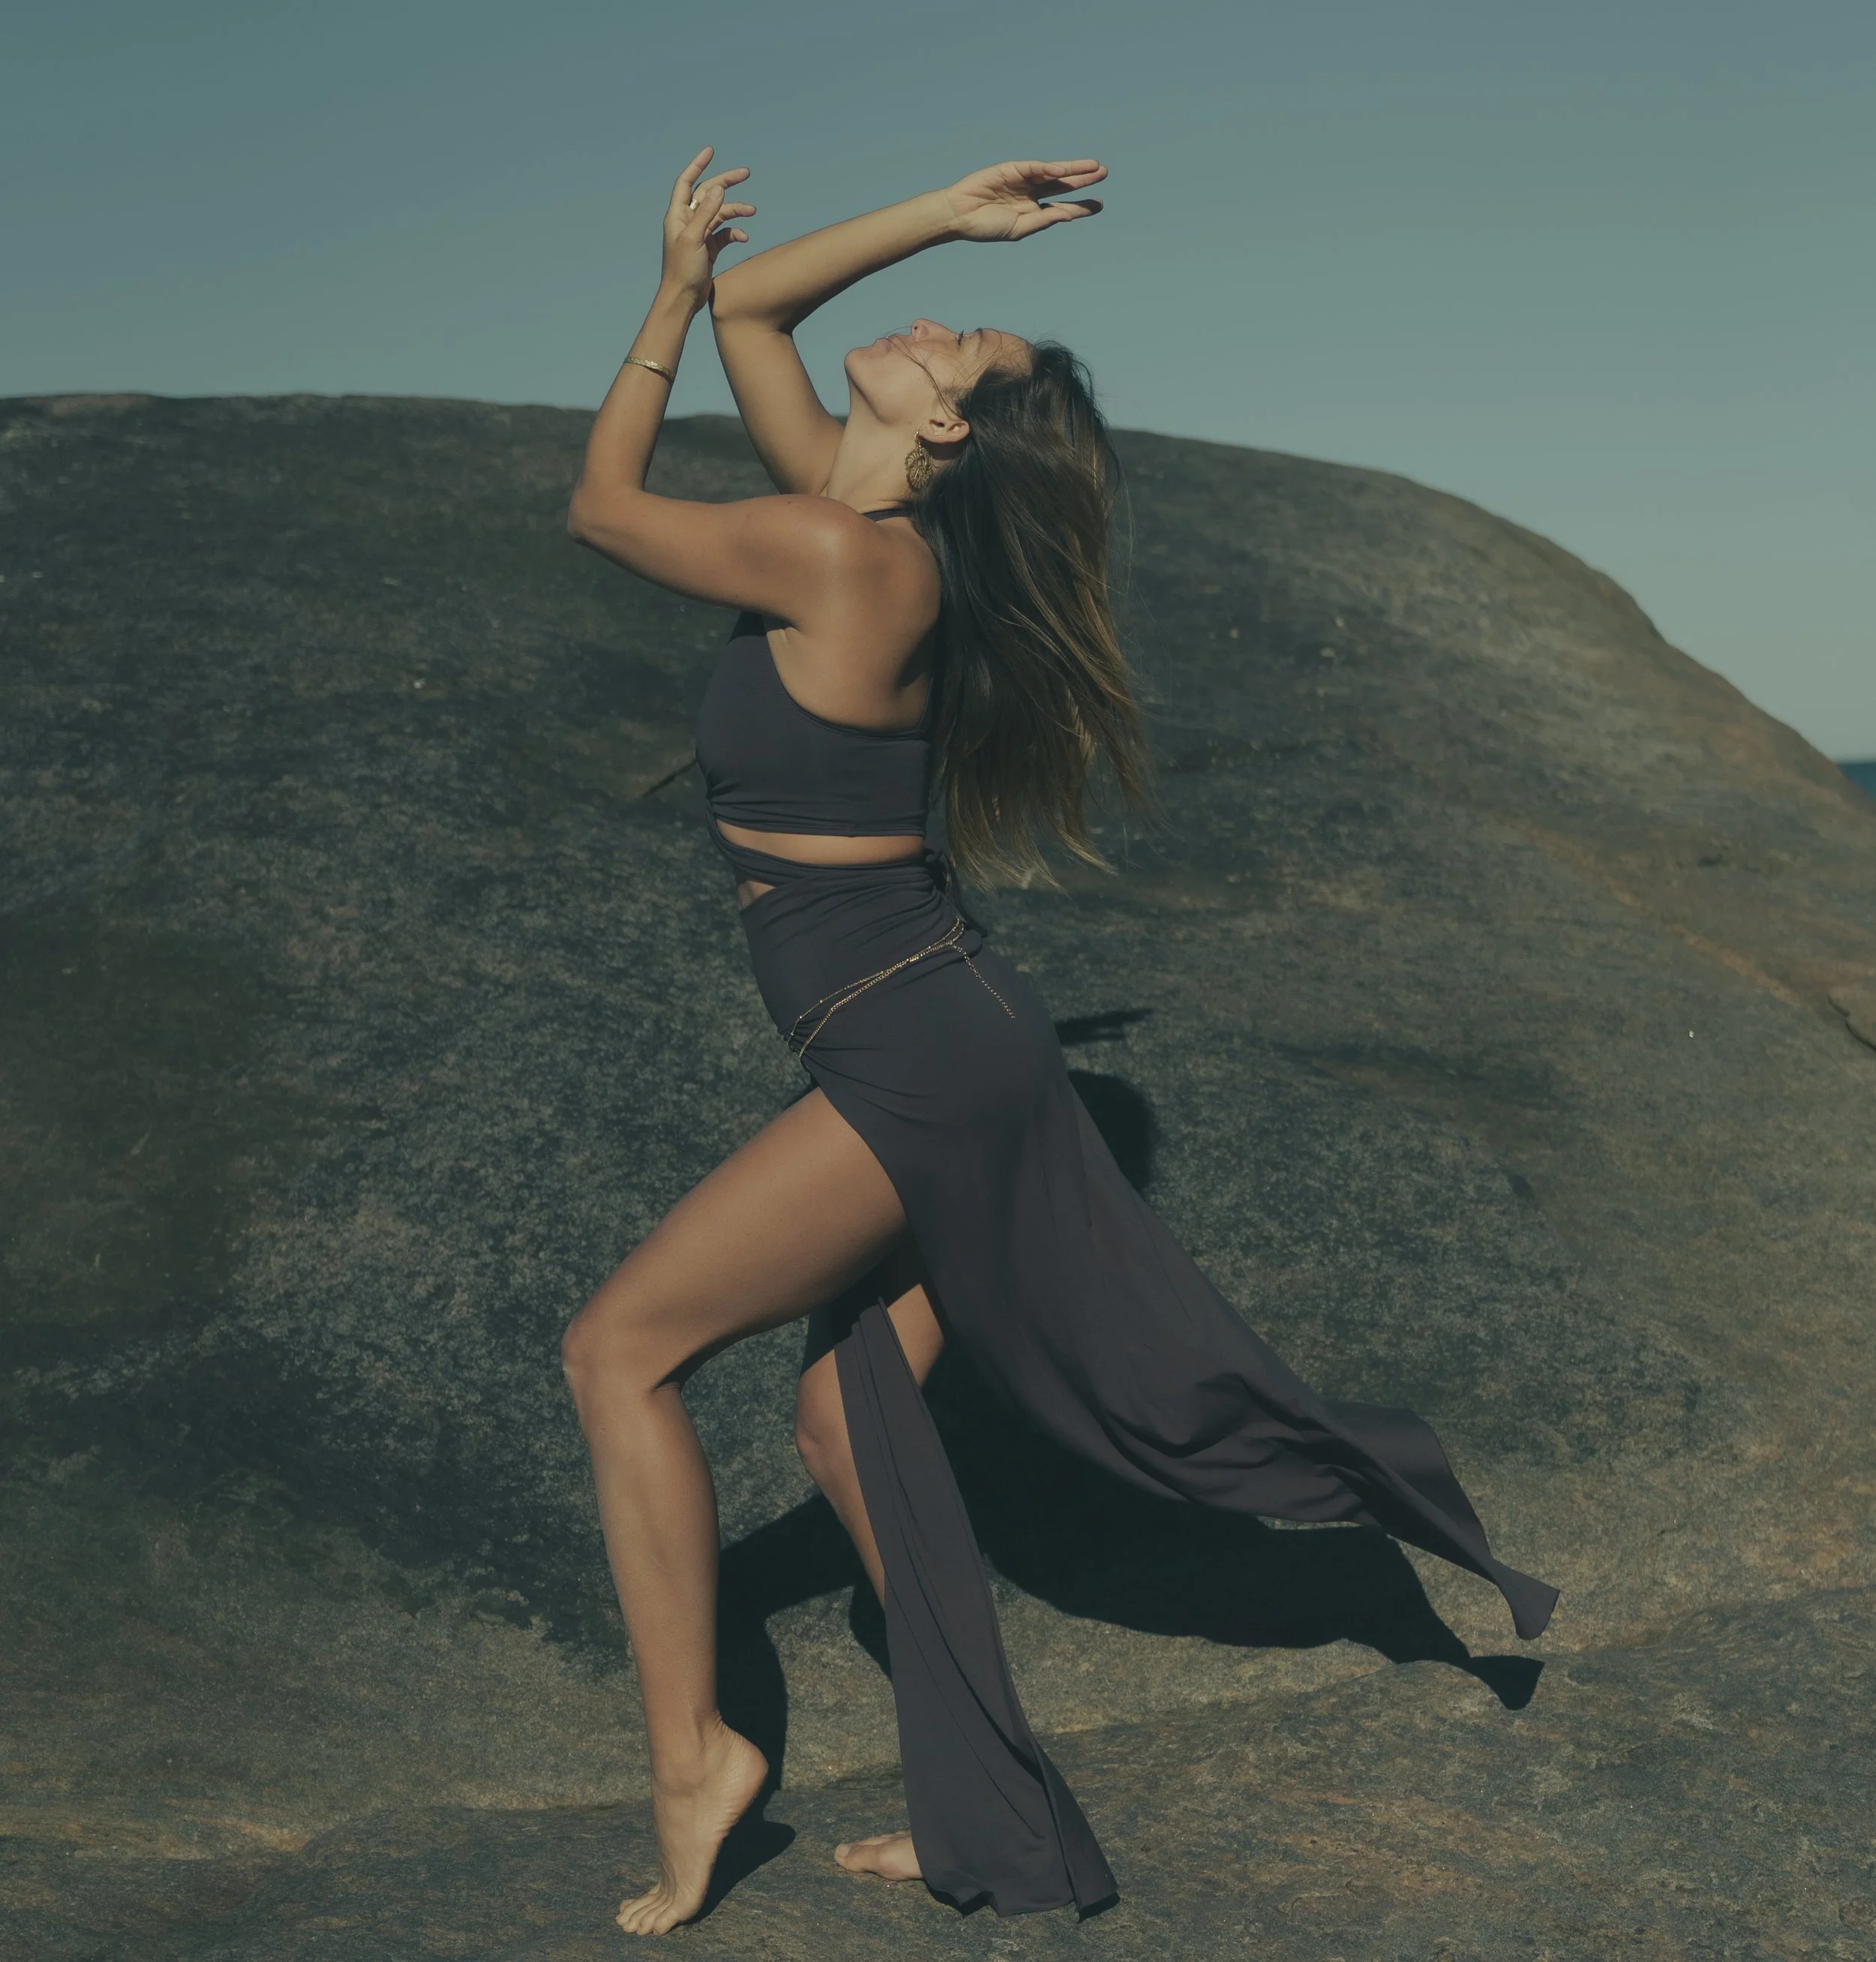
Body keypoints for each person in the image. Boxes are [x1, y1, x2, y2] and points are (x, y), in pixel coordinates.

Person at [561, 151, 1557, 1936]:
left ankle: (694, 1759)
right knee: (845, 1416)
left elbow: (600, 507)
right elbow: (758, 302)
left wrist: (654, 296)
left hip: (911, 1048)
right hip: (930, 1025)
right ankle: (996, 1824)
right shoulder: (846, 512)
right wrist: (941, 211)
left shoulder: (836, 553)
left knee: (617, 1348)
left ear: (946, 427)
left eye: (955, 340)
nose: (927, 323)